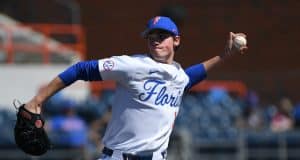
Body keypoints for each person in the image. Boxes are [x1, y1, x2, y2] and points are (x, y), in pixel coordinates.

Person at [24, 16, 247, 160]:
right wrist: (38, 100)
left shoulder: (178, 77)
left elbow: (191, 76)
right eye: (151, 37)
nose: (156, 41)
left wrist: (224, 55)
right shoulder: (132, 65)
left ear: (176, 40)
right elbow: (80, 69)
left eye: (162, 36)